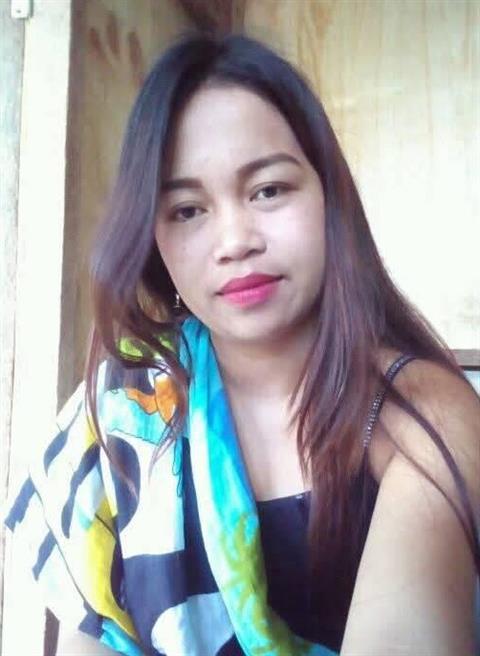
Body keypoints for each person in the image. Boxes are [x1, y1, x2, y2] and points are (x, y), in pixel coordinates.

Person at [5, 31, 480, 656]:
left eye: (268, 190)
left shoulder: (427, 414)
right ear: (153, 239)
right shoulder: (121, 416)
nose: (234, 241)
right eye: (187, 210)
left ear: (329, 198)